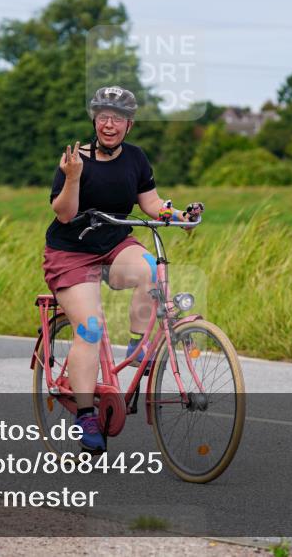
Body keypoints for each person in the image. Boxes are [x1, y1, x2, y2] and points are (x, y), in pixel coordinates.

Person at [42, 85, 203, 452]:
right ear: (94, 121)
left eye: (116, 118)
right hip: (71, 253)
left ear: (129, 125)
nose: (108, 124)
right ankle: (85, 414)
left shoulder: (136, 158)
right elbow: (65, 214)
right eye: (102, 117)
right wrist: (71, 177)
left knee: (150, 268)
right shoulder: (75, 158)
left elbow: (151, 204)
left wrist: (181, 216)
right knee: (91, 327)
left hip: (114, 245)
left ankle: (138, 348)